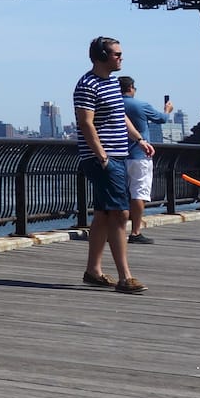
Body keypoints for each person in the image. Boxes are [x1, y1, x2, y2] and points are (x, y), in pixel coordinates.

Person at [74, 35, 153, 295]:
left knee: (103, 215)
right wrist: (103, 157)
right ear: (102, 56)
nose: (121, 57)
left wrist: (139, 139)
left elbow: (120, 117)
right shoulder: (88, 85)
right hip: (104, 159)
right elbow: (86, 123)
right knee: (121, 214)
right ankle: (125, 277)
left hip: (118, 156)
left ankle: (93, 271)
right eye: (117, 54)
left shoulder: (111, 84)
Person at [119, 77, 173, 244]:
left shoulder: (112, 105)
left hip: (117, 156)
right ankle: (135, 232)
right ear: (131, 88)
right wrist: (167, 109)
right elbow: (161, 119)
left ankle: (116, 231)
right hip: (139, 156)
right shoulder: (140, 105)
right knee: (138, 193)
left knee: (119, 195)